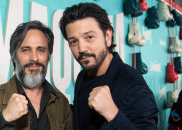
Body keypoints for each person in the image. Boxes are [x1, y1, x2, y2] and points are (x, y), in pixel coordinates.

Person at [59, 2, 159, 130]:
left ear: (107, 36)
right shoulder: (83, 75)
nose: (81, 48)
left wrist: (112, 114)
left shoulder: (133, 84)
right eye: (73, 41)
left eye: (89, 37)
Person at [0, 20, 73, 130]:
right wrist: (4, 118)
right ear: (13, 55)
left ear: (48, 55)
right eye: (26, 50)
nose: (34, 58)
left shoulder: (61, 103)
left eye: (41, 50)